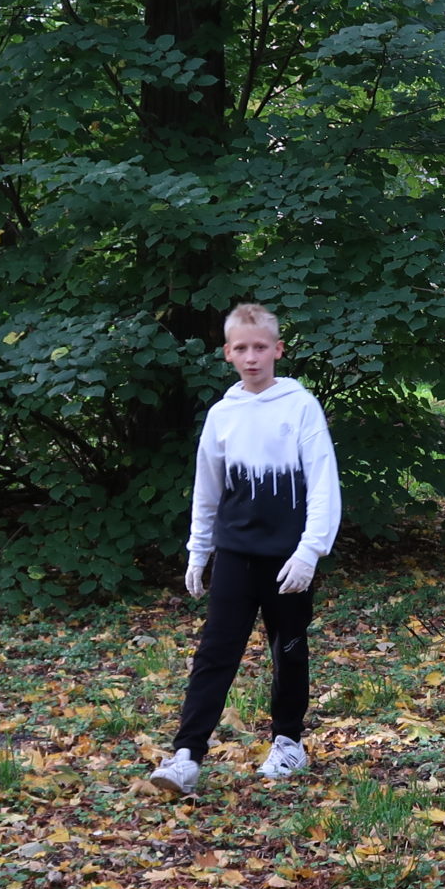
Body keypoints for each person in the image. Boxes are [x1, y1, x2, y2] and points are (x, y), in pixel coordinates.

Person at [150, 303, 342, 798]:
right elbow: (207, 489)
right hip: (235, 555)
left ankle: (288, 741)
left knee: (288, 648)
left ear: (278, 350)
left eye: (260, 347)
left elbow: (323, 482)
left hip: (288, 558)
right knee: (216, 652)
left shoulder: (300, 407)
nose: (252, 357)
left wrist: (310, 551)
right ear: (227, 354)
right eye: (242, 348)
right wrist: (199, 551)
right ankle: (187, 756)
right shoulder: (223, 415)